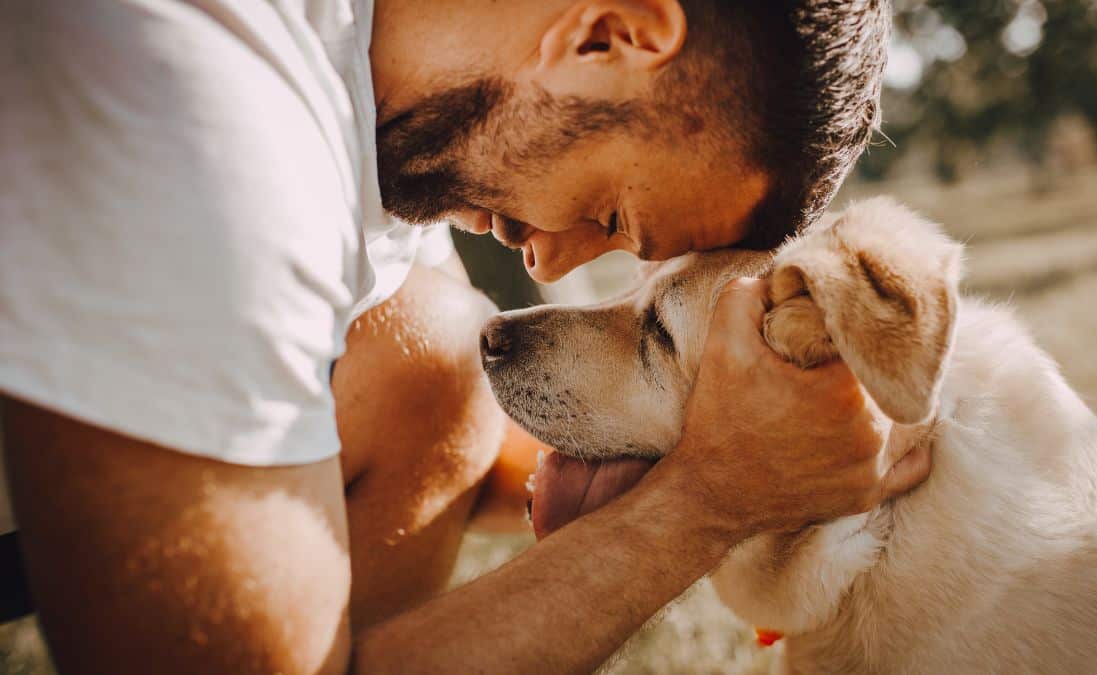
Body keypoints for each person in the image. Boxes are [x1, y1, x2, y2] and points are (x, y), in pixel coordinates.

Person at [0, 1, 929, 673]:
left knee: (435, 357)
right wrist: (708, 502)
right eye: (611, 210)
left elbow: (463, 441)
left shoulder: (373, 102)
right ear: (608, 34)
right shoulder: (206, 108)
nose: (553, 267)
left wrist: (767, 451)